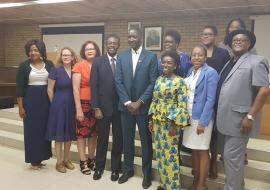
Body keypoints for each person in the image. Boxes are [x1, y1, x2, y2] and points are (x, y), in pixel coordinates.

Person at [216, 29, 270, 190]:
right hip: (225, 120)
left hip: (240, 121)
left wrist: (251, 117)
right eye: (235, 40)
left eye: (243, 39)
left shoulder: (257, 61)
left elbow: (264, 90)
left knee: (231, 159)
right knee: (231, 160)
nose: (238, 41)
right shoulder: (230, 62)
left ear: (249, 44)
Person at [115, 28, 158, 189]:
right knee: (127, 140)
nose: (131, 39)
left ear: (141, 37)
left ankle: (147, 174)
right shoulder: (122, 56)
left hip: (143, 107)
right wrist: (127, 102)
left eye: (134, 36)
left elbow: (153, 82)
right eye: (129, 37)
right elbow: (118, 81)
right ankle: (128, 170)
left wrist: (139, 101)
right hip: (125, 108)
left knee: (146, 142)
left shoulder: (151, 57)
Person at [148, 50, 190, 190]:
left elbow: (182, 105)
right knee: (160, 155)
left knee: (170, 155)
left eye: (169, 62)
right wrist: (151, 120)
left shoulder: (180, 82)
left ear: (176, 65)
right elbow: (154, 100)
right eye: (164, 62)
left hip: (171, 124)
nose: (165, 64)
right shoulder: (159, 79)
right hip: (158, 122)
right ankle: (163, 184)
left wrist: (175, 125)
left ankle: (173, 187)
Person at [182, 45, 219, 190]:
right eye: (194, 55)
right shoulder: (191, 71)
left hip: (202, 119)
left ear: (205, 57)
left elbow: (211, 99)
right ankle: (195, 181)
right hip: (189, 117)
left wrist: (203, 122)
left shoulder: (211, 73)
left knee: (203, 150)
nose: (196, 57)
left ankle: (202, 185)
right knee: (194, 150)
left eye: (200, 55)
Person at [16, 39, 53, 169]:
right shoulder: (23, 66)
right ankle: (33, 159)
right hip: (30, 102)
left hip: (46, 101)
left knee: (44, 129)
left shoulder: (49, 64)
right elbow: (20, 89)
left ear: (41, 51)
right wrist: (21, 107)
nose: (33, 52)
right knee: (32, 131)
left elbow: (53, 83)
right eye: (31, 50)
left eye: (36, 50)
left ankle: (42, 156)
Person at [90, 35, 123, 181]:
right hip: (102, 109)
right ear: (106, 45)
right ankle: (99, 168)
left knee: (118, 140)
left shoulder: (123, 61)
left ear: (118, 45)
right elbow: (94, 86)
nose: (112, 45)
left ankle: (115, 169)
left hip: (120, 109)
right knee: (102, 139)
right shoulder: (98, 62)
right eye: (110, 43)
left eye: (115, 43)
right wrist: (96, 107)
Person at [200, 25, 230, 179]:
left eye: (209, 34)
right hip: (200, 100)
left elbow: (225, 76)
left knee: (214, 135)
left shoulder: (223, 53)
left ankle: (213, 165)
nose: (206, 36)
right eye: (204, 34)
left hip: (216, 99)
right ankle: (200, 168)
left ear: (215, 36)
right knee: (202, 133)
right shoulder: (198, 52)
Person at [46, 47, 78, 173]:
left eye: (68, 55)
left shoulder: (76, 71)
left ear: (72, 57)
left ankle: (66, 159)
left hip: (71, 106)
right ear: (61, 57)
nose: (66, 57)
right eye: (64, 55)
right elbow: (49, 90)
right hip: (58, 106)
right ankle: (59, 162)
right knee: (59, 135)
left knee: (69, 134)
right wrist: (54, 104)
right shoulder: (55, 71)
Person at [72, 40, 101, 175]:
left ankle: (92, 158)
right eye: (87, 49)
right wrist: (78, 109)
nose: (89, 51)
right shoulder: (78, 66)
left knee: (94, 134)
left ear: (96, 51)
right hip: (82, 104)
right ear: (84, 52)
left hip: (97, 105)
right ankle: (83, 161)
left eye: (92, 48)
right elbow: (75, 89)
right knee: (81, 135)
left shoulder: (100, 64)